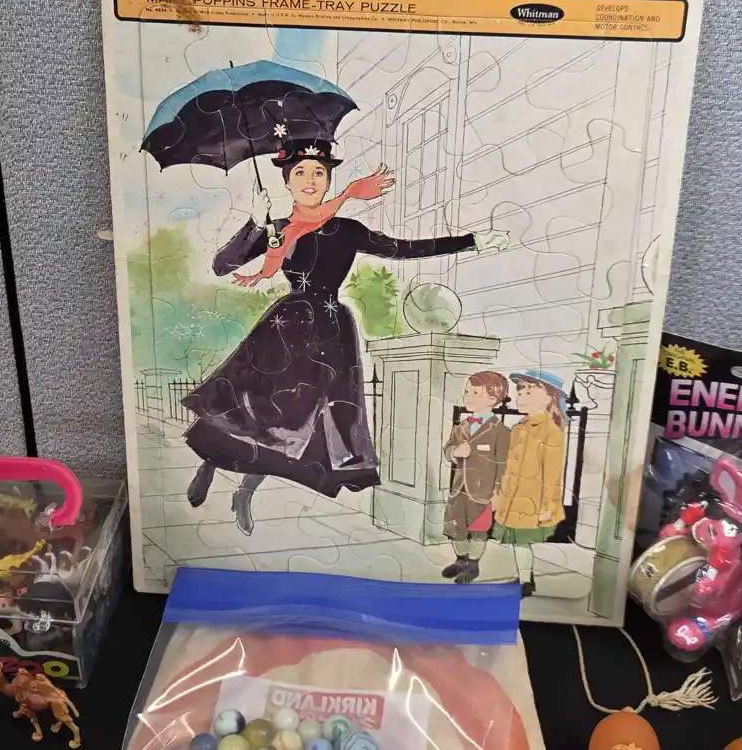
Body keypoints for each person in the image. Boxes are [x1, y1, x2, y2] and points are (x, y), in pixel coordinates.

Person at [182, 135, 510, 534]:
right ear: (286, 181)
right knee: (253, 408)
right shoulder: (276, 229)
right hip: (283, 330)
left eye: (318, 173)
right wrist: (254, 222)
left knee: (297, 422)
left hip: (330, 332)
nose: (310, 180)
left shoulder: (347, 229)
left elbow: (402, 249)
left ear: (328, 180)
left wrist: (472, 242)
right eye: (300, 173)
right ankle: (209, 464)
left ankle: (245, 492)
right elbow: (222, 265)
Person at [492, 369, 568, 595]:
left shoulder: (551, 432)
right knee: (518, 542)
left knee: (522, 542)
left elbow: (552, 474)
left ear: (547, 399)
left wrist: (547, 505)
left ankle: (525, 581)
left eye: (529, 392)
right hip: (513, 497)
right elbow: (507, 466)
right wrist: (499, 493)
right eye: (520, 392)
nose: (521, 396)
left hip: (533, 500)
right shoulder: (518, 429)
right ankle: (524, 578)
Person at [442, 371, 510, 584]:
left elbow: (504, 465)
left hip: (483, 491)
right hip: (459, 488)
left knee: (479, 529)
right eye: (467, 392)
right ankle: (461, 559)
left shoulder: (500, 431)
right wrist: (455, 452)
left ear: (492, 398)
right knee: (455, 526)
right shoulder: (461, 427)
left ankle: (473, 565)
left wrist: (498, 493)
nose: (468, 397)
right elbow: (447, 449)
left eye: (475, 393)